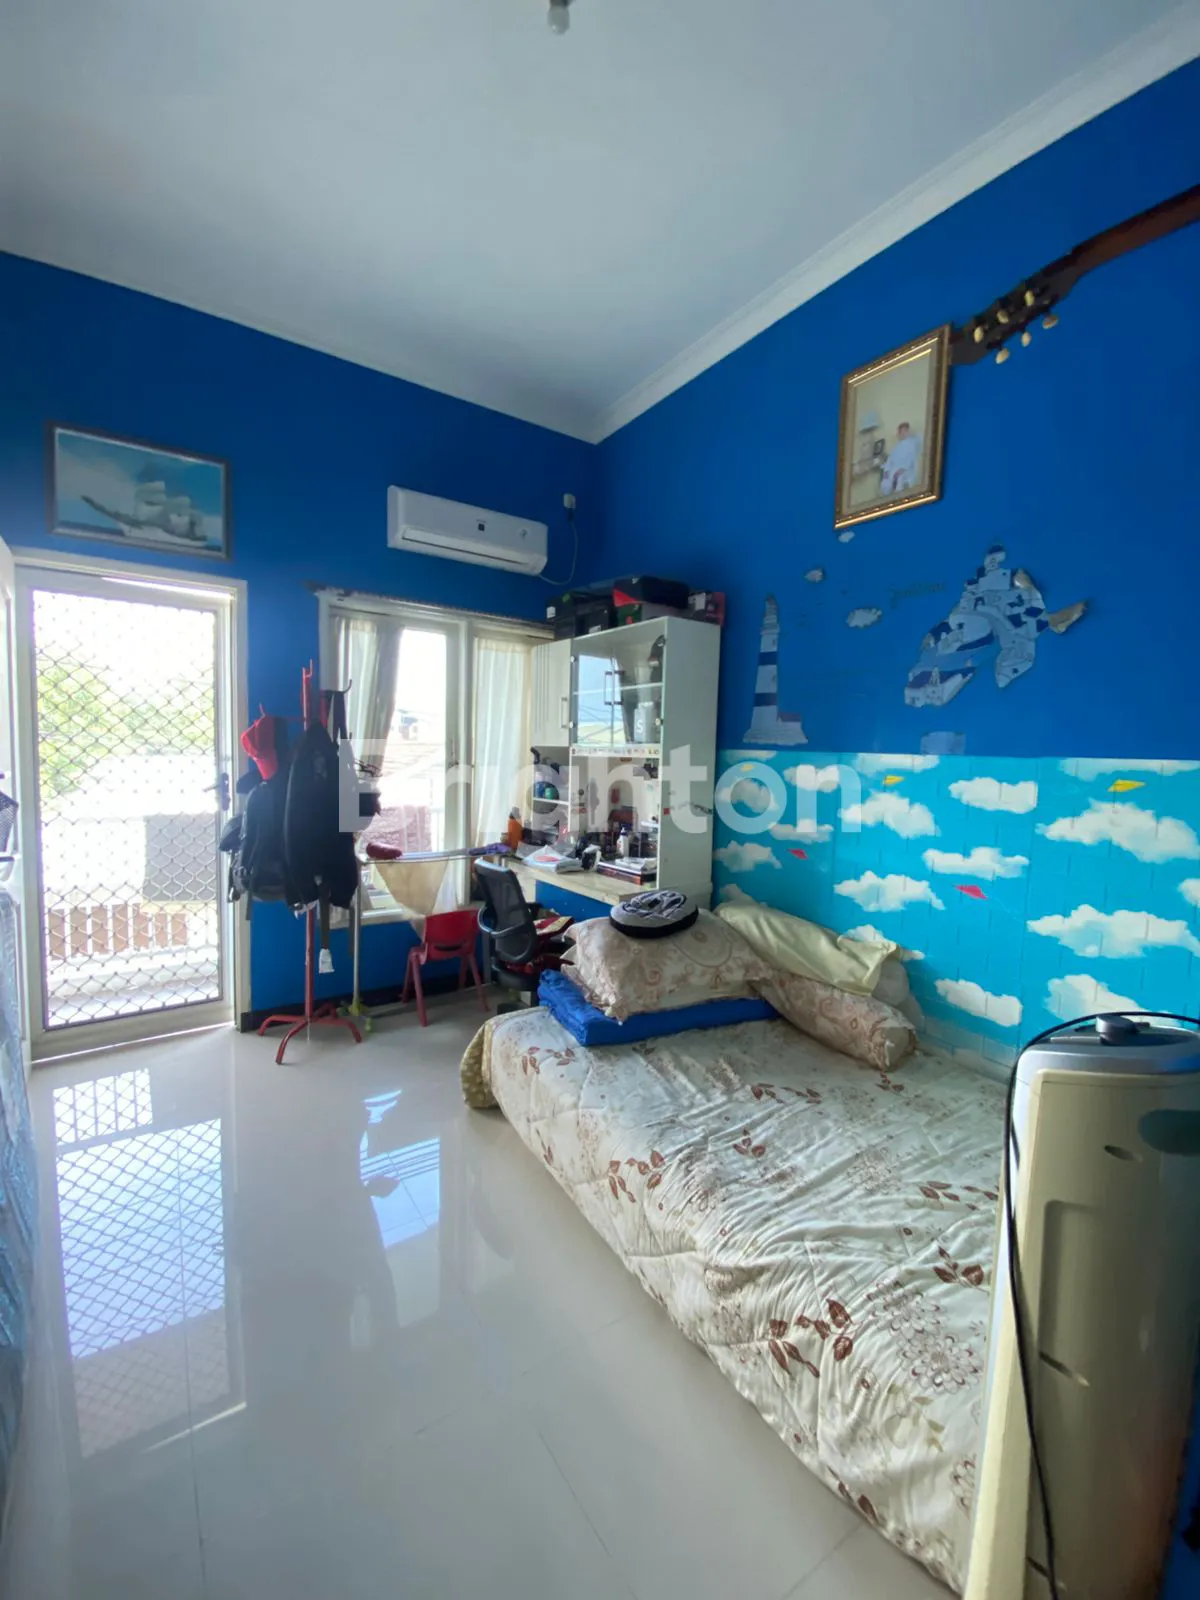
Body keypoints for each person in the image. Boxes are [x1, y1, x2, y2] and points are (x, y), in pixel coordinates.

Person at [879, 421, 922, 495]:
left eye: (905, 431)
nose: (904, 433)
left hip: (906, 470)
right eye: (902, 431)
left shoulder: (912, 442)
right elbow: (890, 460)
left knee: (899, 479)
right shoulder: (896, 447)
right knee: (886, 481)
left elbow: (911, 459)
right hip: (894, 469)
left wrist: (903, 469)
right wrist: (886, 470)